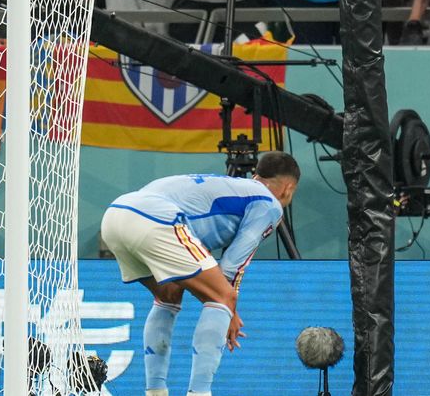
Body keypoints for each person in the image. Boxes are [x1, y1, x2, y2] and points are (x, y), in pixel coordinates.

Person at [100, 151, 300, 396]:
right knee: (223, 297)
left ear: (257, 175)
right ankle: (200, 393)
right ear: (289, 188)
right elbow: (231, 267)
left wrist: (224, 303)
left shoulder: (232, 186)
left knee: (168, 295)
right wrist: (229, 308)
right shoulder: (269, 203)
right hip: (156, 219)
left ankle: (155, 392)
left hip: (115, 216)